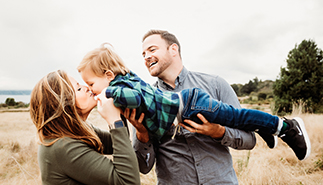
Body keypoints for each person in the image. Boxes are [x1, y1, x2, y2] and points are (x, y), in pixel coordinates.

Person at [127, 29, 310, 185]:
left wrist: (219, 132)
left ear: (173, 49)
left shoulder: (215, 85)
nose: (146, 57)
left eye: (152, 49)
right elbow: (144, 166)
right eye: (143, 54)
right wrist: (141, 134)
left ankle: (280, 127)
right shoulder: (146, 102)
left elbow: (249, 140)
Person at [77, 43, 310, 161]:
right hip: (186, 106)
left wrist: (107, 95)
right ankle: (262, 126)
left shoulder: (118, 89)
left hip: (190, 105)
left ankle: (285, 127)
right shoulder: (127, 79)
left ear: (108, 76)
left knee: (236, 116)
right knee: (237, 118)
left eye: (91, 83)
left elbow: (135, 98)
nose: (91, 90)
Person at [29, 70, 140, 185]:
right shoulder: (63, 146)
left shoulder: (78, 132)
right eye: (79, 88)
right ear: (63, 103)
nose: (87, 88)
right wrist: (113, 121)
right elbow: (128, 179)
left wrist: (119, 113)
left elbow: (117, 143)